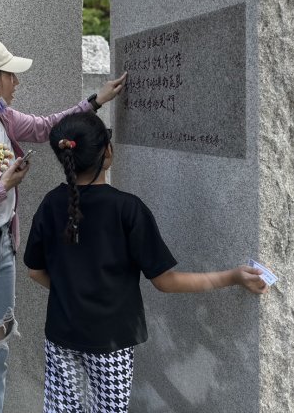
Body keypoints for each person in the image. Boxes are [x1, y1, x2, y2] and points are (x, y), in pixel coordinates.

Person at [0, 37, 126, 413]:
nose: (16, 82)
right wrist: (0, 188)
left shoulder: (4, 117)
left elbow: (47, 127)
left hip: (1, 254)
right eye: (10, 75)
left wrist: (95, 101)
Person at [23, 111, 269, 412]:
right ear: (108, 152)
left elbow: (35, 271)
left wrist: (69, 292)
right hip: (112, 341)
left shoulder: (50, 203)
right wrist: (232, 276)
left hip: (62, 334)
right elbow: (165, 281)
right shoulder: (128, 209)